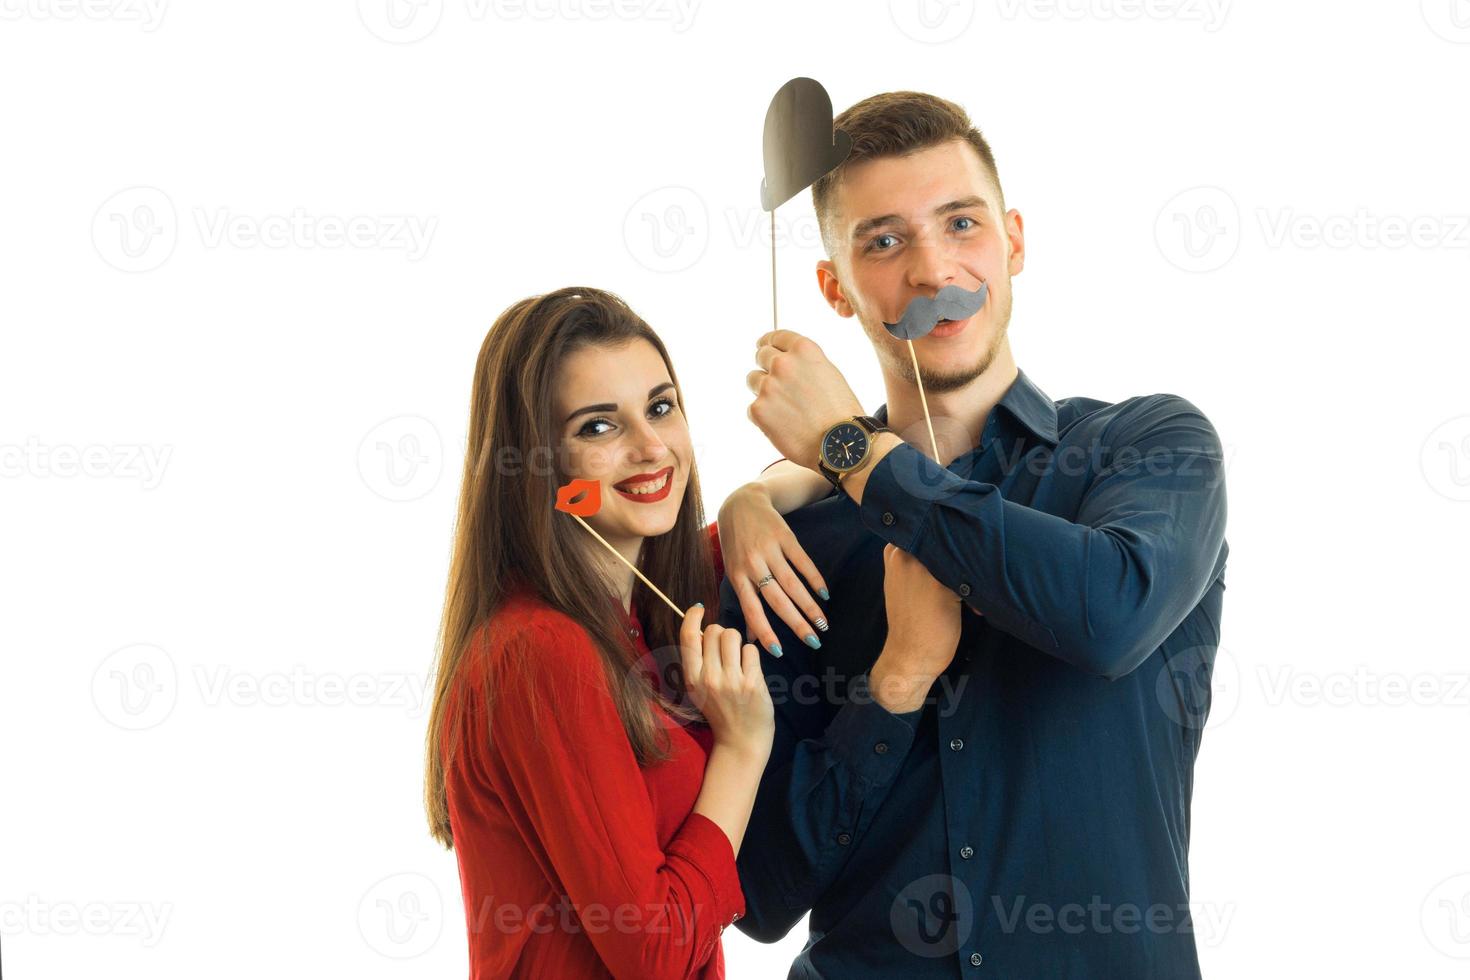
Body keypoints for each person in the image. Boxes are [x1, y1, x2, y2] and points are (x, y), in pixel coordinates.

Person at [716, 92, 1230, 978]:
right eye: (883, 241)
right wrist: (893, 685)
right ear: (834, 287)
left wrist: (856, 454)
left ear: (1014, 240)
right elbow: (759, 893)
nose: (932, 270)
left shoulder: (1150, 449)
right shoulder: (785, 543)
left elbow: (1108, 615)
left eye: (961, 223)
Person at [420, 286, 965, 979]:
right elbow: (653, 953)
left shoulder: (653, 603)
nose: (652, 450)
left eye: (660, 407)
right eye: (598, 428)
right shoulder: (538, 649)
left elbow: (819, 474)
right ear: (539, 470)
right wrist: (743, 747)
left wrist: (753, 496)